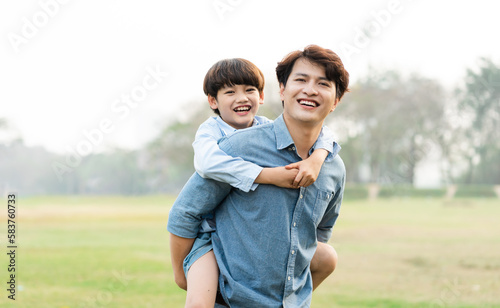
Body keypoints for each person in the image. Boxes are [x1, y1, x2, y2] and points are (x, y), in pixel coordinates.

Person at [168, 45, 349, 307]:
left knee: (327, 255)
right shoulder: (234, 146)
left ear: (336, 100)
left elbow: (319, 233)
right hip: (226, 280)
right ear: (283, 91)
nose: (310, 89)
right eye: (301, 80)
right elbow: (185, 211)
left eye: (323, 83)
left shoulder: (333, 166)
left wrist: (319, 156)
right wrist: (181, 272)